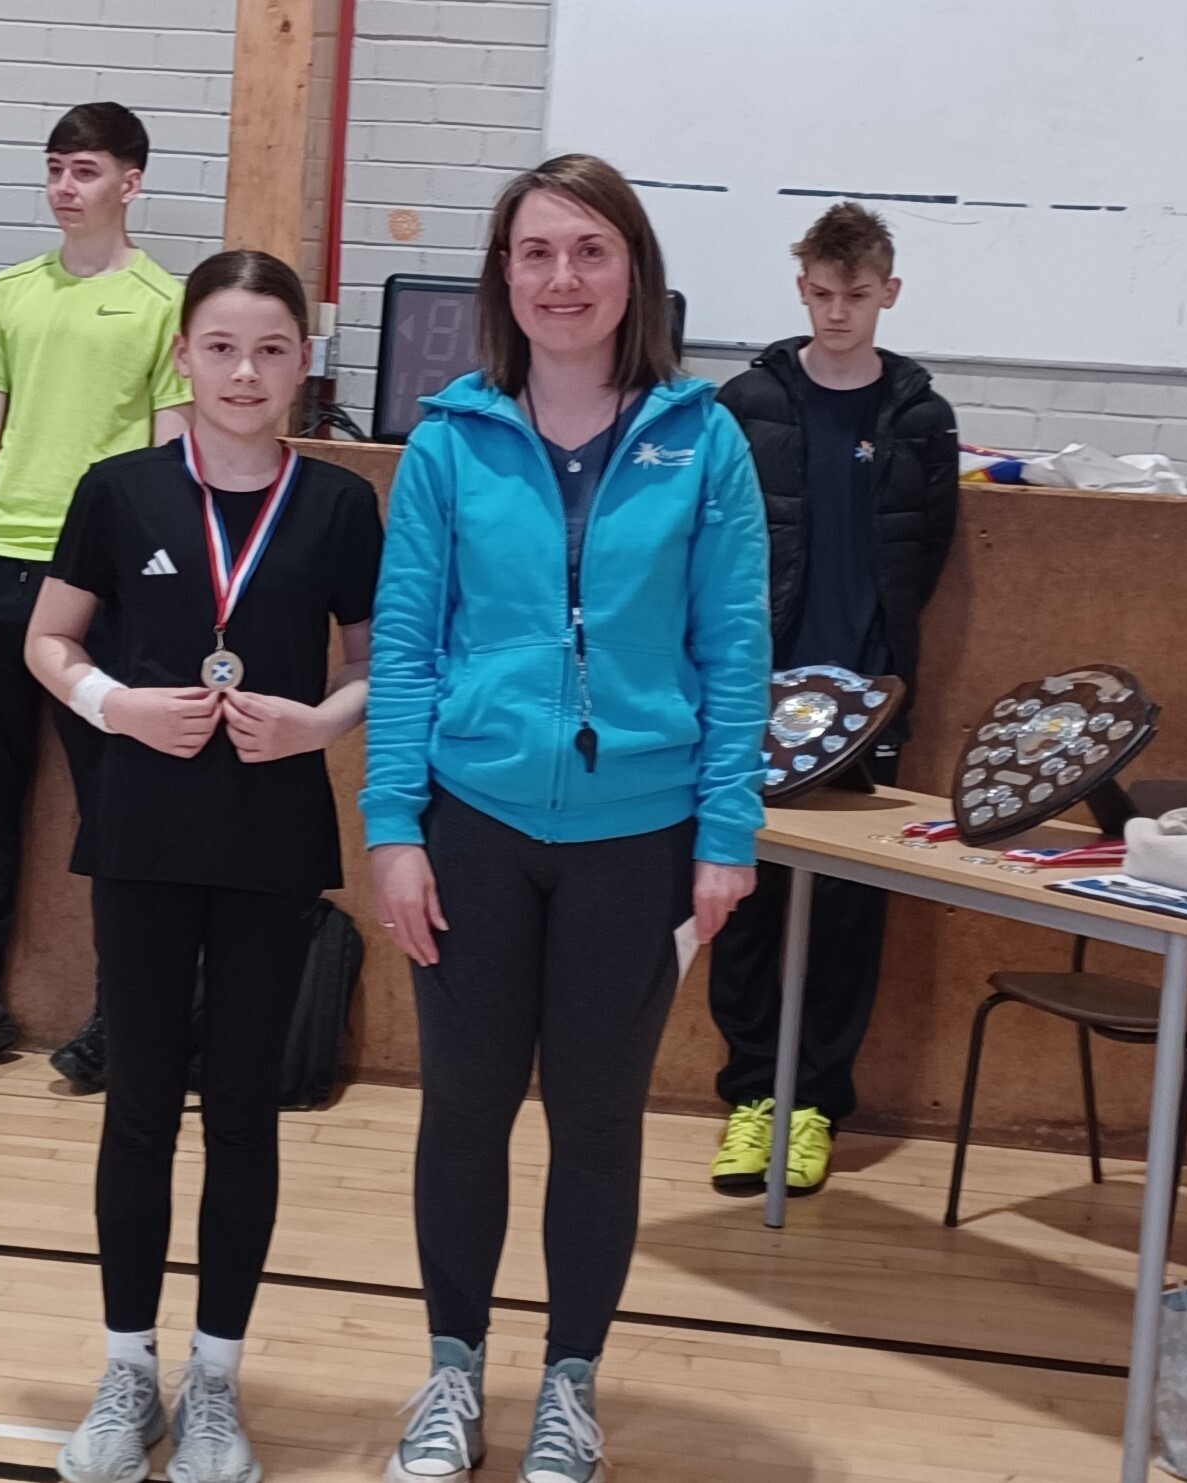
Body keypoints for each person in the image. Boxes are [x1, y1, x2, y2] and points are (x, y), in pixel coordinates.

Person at [364, 154, 770, 1483]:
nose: (561, 279)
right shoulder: (447, 438)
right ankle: (451, 1375)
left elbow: (734, 648)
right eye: (535, 253)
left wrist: (723, 834)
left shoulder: (702, 440)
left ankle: (571, 1388)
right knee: (463, 1113)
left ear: (632, 274)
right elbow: (410, 645)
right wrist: (392, 824)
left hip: (639, 841)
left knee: (596, 1122)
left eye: (589, 251)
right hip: (472, 824)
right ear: (503, 278)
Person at [26, 249, 380, 1483]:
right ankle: (127, 1368)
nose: (244, 371)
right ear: (183, 354)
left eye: (271, 349)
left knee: (243, 1109)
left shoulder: (337, 505)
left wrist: (317, 726)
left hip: (273, 839)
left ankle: (215, 1379)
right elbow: (49, 639)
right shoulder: (119, 491)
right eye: (222, 346)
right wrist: (118, 705)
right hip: (143, 832)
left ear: (302, 363)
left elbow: (374, 666)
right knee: (138, 1102)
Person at [0, 102, 193, 1083]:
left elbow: (170, 457)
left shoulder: (166, 301)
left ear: (131, 181)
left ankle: (124, 1011)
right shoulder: (10, 293)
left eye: (83, 171)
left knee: (113, 806)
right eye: (54, 170)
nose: (63, 188)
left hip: (100, 589)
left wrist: (150, 586)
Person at [707, 201, 959, 1197]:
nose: (838, 311)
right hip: (751, 697)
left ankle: (813, 1103)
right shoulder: (747, 403)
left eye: (858, 295)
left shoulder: (920, 417)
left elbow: (923, 553)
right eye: (822, 292)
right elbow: (715, 547)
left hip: (867, 705)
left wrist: (880, 669)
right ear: (800, 286)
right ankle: (750, 1101)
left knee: (850, 911)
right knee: (741, 899)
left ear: (887, 293)